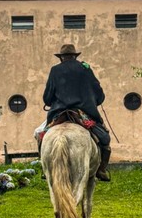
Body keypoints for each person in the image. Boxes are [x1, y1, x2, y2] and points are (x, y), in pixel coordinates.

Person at [41, 44, 112, 181]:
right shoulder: (85, 68)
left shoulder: (55, 70)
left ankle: (45, 168)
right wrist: (94, 101)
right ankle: (101, 170)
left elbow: (47, 97)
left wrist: (51, 100)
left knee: (42, 136)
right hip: (82, 112)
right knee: (104, 138)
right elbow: (98, 92)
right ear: (75, 56)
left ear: (61, 58)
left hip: (59, 113)